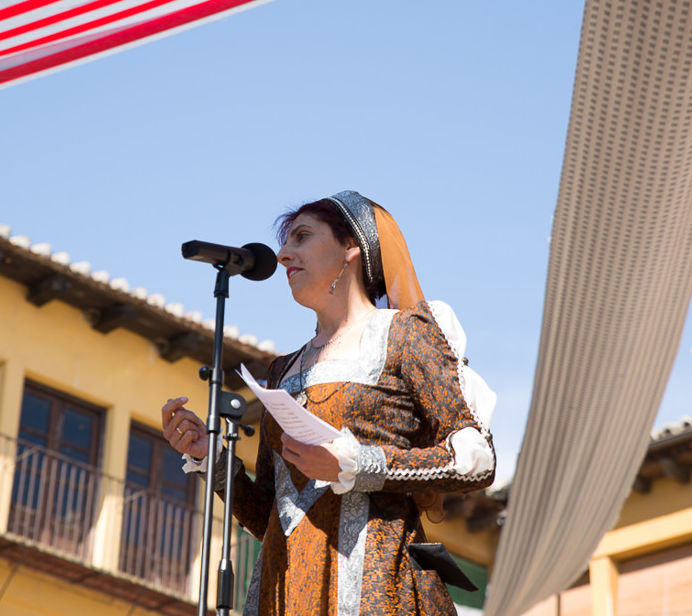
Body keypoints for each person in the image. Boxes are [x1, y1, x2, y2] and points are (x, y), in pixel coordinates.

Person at [162, 191, 496, 616]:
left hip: (377, 584)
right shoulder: (283, 369)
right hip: (283, 591)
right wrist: (212, 458)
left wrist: (359, 463)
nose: (283, 254)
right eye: (285, 242)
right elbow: (272, 511)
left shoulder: (405, 335)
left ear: (351, 248)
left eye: (301, 236)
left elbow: (477, 460)